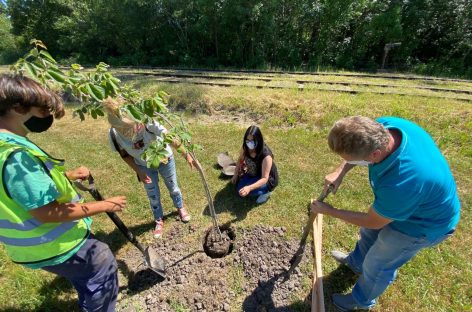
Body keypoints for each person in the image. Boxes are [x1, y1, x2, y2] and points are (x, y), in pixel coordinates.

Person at [0, 74, 127, 311]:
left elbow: (23, 190)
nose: (47, 117)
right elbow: (47, 212)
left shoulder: (5, 145)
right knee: (100, 260)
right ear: (18, 108)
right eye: (43, 110)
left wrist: (66, 177)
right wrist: (105, 205)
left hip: (31, 244)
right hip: (48, 241)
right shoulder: (15, 157)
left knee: (84, 272)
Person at [311, 116, 460, 311]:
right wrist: (341, 171)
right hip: (404, 203)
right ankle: (356, 263)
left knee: (379, 262)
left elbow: (373, 221)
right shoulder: (382, 128)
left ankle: (361, 301)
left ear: (374, 155)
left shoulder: (403, 182)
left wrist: (331, 211)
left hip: (423, 223)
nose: (348, 163)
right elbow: (371, 225)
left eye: (351, 161)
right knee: (368, 236)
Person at [103, 99, 196, 239]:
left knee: (173, 187)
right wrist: (138, 171)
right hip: (143, 165)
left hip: (164, 159)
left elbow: (169, 137)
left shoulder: (146, 121)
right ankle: (158, 219)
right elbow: (124, 155)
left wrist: (186, 154)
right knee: (152, 194)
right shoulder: (114, 134)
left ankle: (180, 208)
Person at [231, 125, 279, 204]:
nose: (250, 143)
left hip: (267, 179)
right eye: (247, 140)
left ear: (258, 140)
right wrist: (235, 174)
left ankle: (267, 192)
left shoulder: (266, 155)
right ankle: (251, 183)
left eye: (253, 140)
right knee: (240, 189)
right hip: (253, 172)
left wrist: (249, 188)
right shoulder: (245, 147)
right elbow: (240, 160)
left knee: (250, 192)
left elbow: (264, 178)